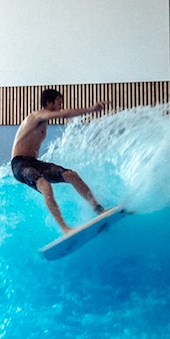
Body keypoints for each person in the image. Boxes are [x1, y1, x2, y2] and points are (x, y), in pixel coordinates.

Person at [11, 88, 107, 234]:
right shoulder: (37, 115)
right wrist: (91, 109)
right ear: (49, 102)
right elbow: (63, 114)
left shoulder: (43, 122)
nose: (60, 106)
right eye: (58, 103)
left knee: (71, 175)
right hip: (20, 164)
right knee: (45, 186)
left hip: (33, 162)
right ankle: (65, 228)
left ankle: (99, 209)